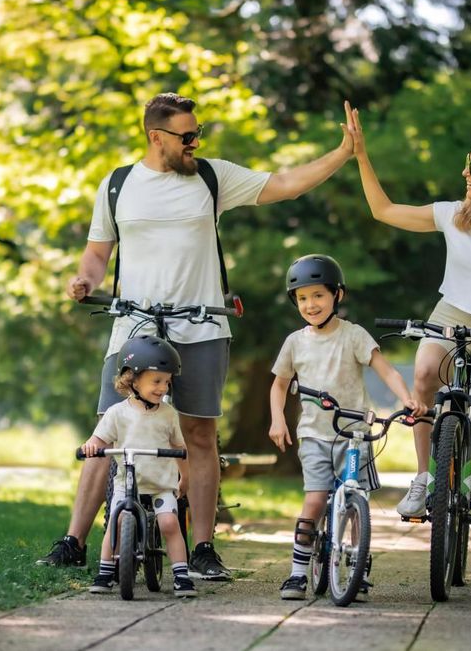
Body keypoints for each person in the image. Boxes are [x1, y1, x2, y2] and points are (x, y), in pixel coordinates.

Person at [38, 92, 355, 580]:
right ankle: (74, 540)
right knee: (110, 432)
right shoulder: (119, 185)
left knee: (200, 434)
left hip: (202, 326)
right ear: (155, 137)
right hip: (133, 327)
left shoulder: (211, 177)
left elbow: (285, 184)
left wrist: (342, 153)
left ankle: (203, 548)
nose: (195, 142)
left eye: (198, 134)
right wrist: (85, 280)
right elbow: (97, 253)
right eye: (186, 136)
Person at [344, 102, 471, 593]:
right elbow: (383, 210)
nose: (465, 173)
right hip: (450, 318)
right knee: (422, 375)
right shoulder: (453, 217)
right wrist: (360, 155)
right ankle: (424, 478)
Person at [267, 254, 422, 600]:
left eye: (318, 296)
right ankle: (297, 573)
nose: (311, 304)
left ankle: (357, 569)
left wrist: (407, 399)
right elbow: (279, 384)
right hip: (314, 436)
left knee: (356, 502)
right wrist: (278, 418)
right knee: (315, 500)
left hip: (354, 437)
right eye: (303, 298)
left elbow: (386, 369)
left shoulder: (354, 336)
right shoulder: (295, 342)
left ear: (337, 295)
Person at [81, 335, 196, 597]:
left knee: (169, 523)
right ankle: (106, 571)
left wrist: (184, 478)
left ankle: (181, 574)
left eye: (167, 382)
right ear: (132, 379)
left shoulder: (168, 414)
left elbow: (180, 448)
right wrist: (90, 446)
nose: (163, 388)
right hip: (127, 483)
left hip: (160, 486)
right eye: (156, 381)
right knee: (116, 521)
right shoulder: (117, 413)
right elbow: (99, 438)